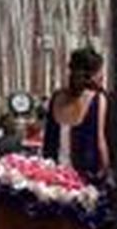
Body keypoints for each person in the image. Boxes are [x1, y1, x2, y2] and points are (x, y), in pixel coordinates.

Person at [42, 47, 110, 191]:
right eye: (100, 72)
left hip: (53, 173)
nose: (102, 76)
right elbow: (100, 140)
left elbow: (48, 137)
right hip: (84, 175)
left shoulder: (56, 97)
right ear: (92, 74)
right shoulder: (97, 99)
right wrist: (106, 168)